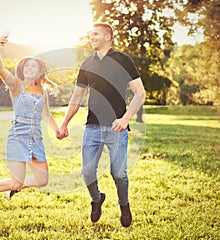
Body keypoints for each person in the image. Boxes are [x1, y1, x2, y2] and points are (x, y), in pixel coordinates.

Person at [58, 22, 146, 227]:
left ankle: (124, 205)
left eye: (96, 34)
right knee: (87, 173)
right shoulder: (87, 64)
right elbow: (76, 97)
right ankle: (97, 199)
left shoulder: (123, 60)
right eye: (91, 35)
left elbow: (140, 93)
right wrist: (64, 124)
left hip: (117, 129)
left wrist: (125, 118)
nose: (92, 37)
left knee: (119, 173)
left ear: (108, 37)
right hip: (92, 128)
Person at [0, 32, 60, 208]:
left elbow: (46, 115)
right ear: (22, 70)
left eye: (33, 66)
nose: (29, 68)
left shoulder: (43, 92)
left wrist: (58, 129)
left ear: (40, 70)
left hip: (36, 138)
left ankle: (14, 188)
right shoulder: (16, 85)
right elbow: (1, 70)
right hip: (18, 137)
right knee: (16, 182)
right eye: (27, 66)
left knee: (42, 180)